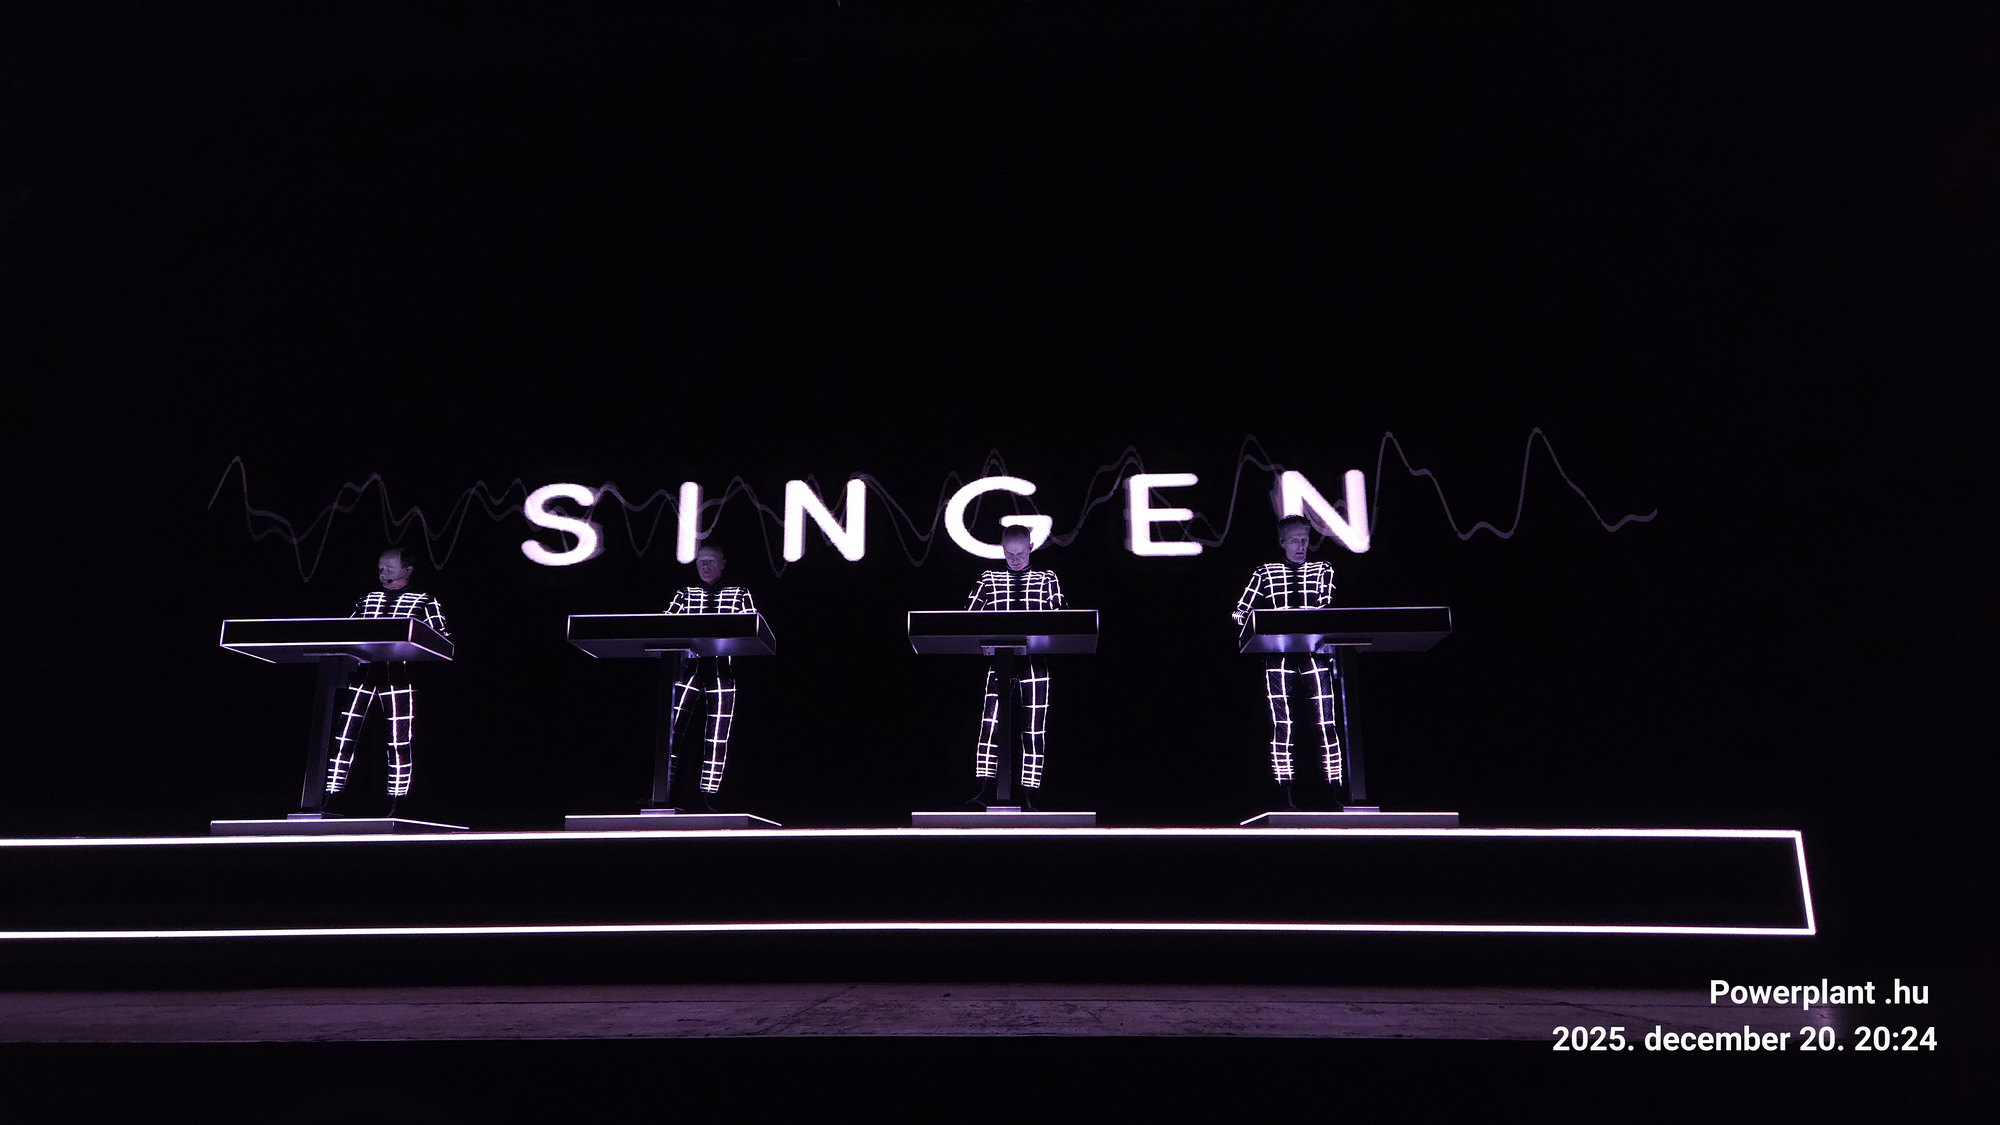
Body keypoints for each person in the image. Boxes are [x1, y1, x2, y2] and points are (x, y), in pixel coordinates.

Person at [328, 545, 449, 813]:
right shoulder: (367, 599)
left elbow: (441, 640)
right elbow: (345, 631)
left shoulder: (424, 601)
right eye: (381, 568)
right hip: (363, 674)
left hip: (399, 677)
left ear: (407, 570)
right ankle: (332, 793)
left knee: (398, 741)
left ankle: (399, 797)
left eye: (389, 568)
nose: (383, 573)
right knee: (344, 735)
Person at [1232, 516, 1342, 810]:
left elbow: (1326, 606)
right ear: (1282, 542)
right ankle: (1285, 793)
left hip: (1315, 654)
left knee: (1326, 724)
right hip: (1278, 655)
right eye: (1295, 540)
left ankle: (1333, 791)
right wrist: (1260, 623)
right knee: (1283, 726)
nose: (1301, 546)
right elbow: (1240, 612)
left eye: (1305, 540)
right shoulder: (1266, 573)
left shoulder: (1323, 569)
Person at [966, 526, 1065, 809]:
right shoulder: (989, 578)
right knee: (991, 723)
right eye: (1009, 554)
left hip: (1035, 660)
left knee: (1034, 728)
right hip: (999, 660)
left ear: (1031, 547)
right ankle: (985, 788)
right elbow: (967, 619)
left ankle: (1030, 792)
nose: (1015, 559)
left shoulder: (1047, 579)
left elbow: (1061, 617)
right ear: (1002, 550)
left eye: (1020, 553)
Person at [662, 543, 756, 807]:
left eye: (711, 561)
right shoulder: (685, 594)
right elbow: (663, 625)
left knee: (718, 734)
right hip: (687, 669)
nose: (704, 567)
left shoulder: (739, 593)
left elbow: (752, 626)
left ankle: (711, 796)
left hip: (723, 669)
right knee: (672, 730)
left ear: (722, 564)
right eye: (700, 562)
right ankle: (664, 792)